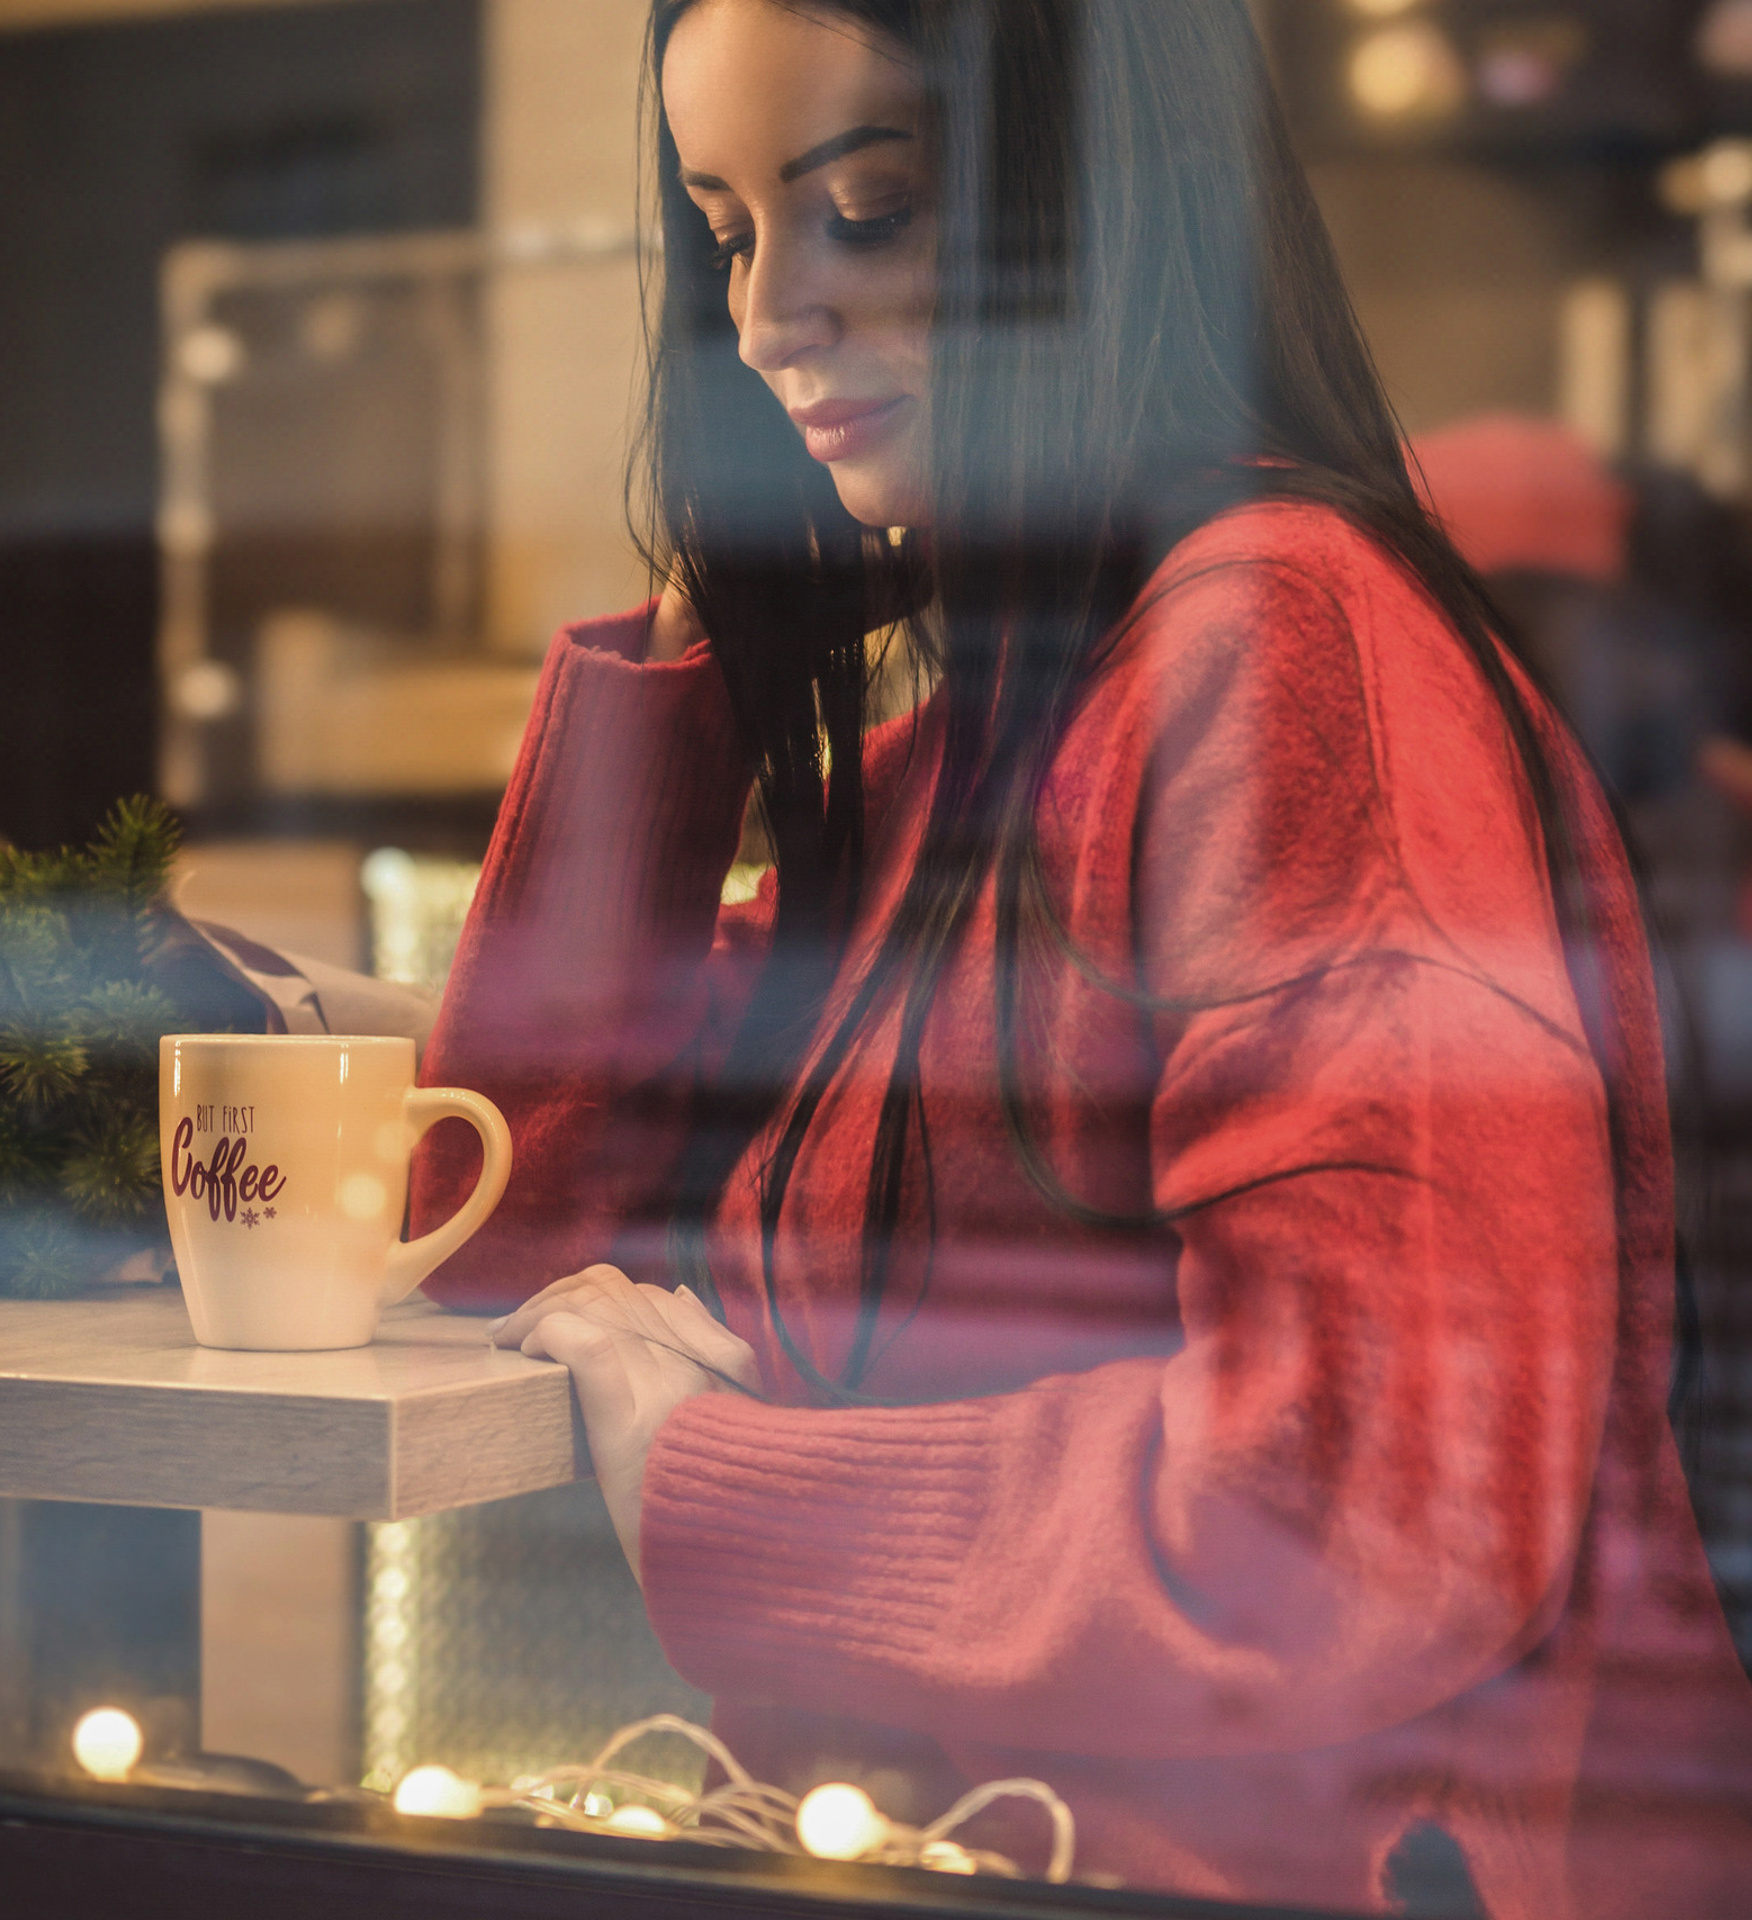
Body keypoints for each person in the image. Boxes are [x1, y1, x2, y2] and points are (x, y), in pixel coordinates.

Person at [412, 4, 1752, 1913]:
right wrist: (724, 622)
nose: (767, 313)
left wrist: (717, 1480)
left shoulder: (1278, 654)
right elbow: (503, 1226)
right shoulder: (998, 739)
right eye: (727, 231)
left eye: (866, 208)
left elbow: (1368, 1514)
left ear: (1098, 208)